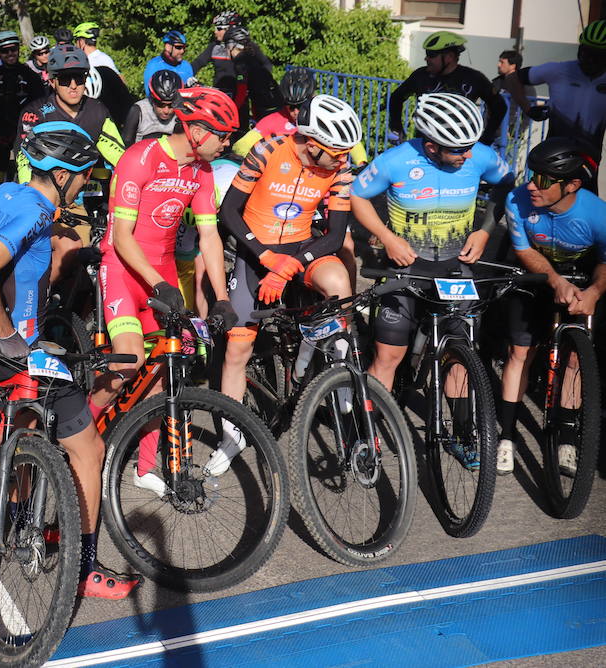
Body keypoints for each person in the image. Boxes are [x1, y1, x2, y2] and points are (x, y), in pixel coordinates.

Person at [0, 122, 136, 599]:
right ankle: (85, 568)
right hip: (16, 350)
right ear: (61, 175)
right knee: (88, 449)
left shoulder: (8, 193)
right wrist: (11, 333)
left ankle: (13, 524)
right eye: (82, 176)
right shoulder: (35, 211)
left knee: (24, 433)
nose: (84, 184)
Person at [95, 89, 239, 490]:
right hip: (124, 270)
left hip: (162, 272)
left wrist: (222, 298)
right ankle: (81, 430)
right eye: (222, 135)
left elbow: (209, 237)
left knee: (166, 371)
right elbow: (122, 237)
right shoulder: (139, 158)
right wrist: (158, 281)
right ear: (195, 130)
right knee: (129, 361)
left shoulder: (203, 171)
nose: (227, 143)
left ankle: (143, 468)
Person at [352, 94, 515, 417]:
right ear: (431, 147)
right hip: (407, 267)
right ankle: (366, 434)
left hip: (457, 266)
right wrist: (388, 238)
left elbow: (507, 183)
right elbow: (358, 195)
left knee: (460, 354)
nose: (468, 155)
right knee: (388, 358)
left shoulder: (479, 155)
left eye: (471, 145)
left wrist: (484, 230)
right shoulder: (396, 160)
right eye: (459, 149)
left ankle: (463, 432)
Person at [219, 94, 362, 408]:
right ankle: (229, 441)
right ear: (312, 145)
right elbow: (228, 211)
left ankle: (345, 390)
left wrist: (290, 265)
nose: (343, 160)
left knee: (338, 281)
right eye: (337, 153)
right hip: (256, 252)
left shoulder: (339, 166)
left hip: (300, 251)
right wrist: (266, 257)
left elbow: (335, 234)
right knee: (237, 350)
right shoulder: (267, 150)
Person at [495, 138, 606, 474]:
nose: (531, 184)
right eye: (531, 174)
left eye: (542, 179)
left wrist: (595, 292)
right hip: (536, 278)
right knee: (519, 353)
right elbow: (525, 251)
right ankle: (507, 436)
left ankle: (568, 439)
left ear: (571, 185)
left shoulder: (597, 214)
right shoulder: (517, 200)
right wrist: (555, 280)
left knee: (573, 360)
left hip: (582, 280)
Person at [15, 43, 124, 181]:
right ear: (52, 82)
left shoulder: (97, 109)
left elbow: (118, 153)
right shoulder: (35, 113)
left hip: (87, 185)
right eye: (65, 79)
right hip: (48, 189)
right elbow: (24, 159)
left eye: (79, 78)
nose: (73, 86)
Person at [503, 20, 606, 163]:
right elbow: (512, 78)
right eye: (586, 52)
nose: (590, 60)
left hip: (588, 158)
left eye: (598, 56)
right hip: (553, 154)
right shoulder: (559, 70)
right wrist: (528, 109)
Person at [387, 31, 504, 147]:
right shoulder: (420, 75)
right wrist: (397, 128)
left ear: (449, 57)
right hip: (425, 147)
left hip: (459, 150)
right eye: (427, 54)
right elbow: (396, 97)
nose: (426, 58)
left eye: (431, 55)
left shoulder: (473, 78)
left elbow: (500, 106)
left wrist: (485, 139)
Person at [0, 30, 46, 185]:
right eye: (4, 51)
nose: (10, 54)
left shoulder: (32, 76)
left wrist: (28, 134)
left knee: (27, 182)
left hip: (25, 136)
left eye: (13, 49)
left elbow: (41, 107)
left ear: (18, 49)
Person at [123, 69, 183, 147]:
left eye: (171, 105)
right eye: (160, 104)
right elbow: (126, 144)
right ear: (152, 98)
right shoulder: (138, 111)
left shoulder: (183, 112)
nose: (166, 111)